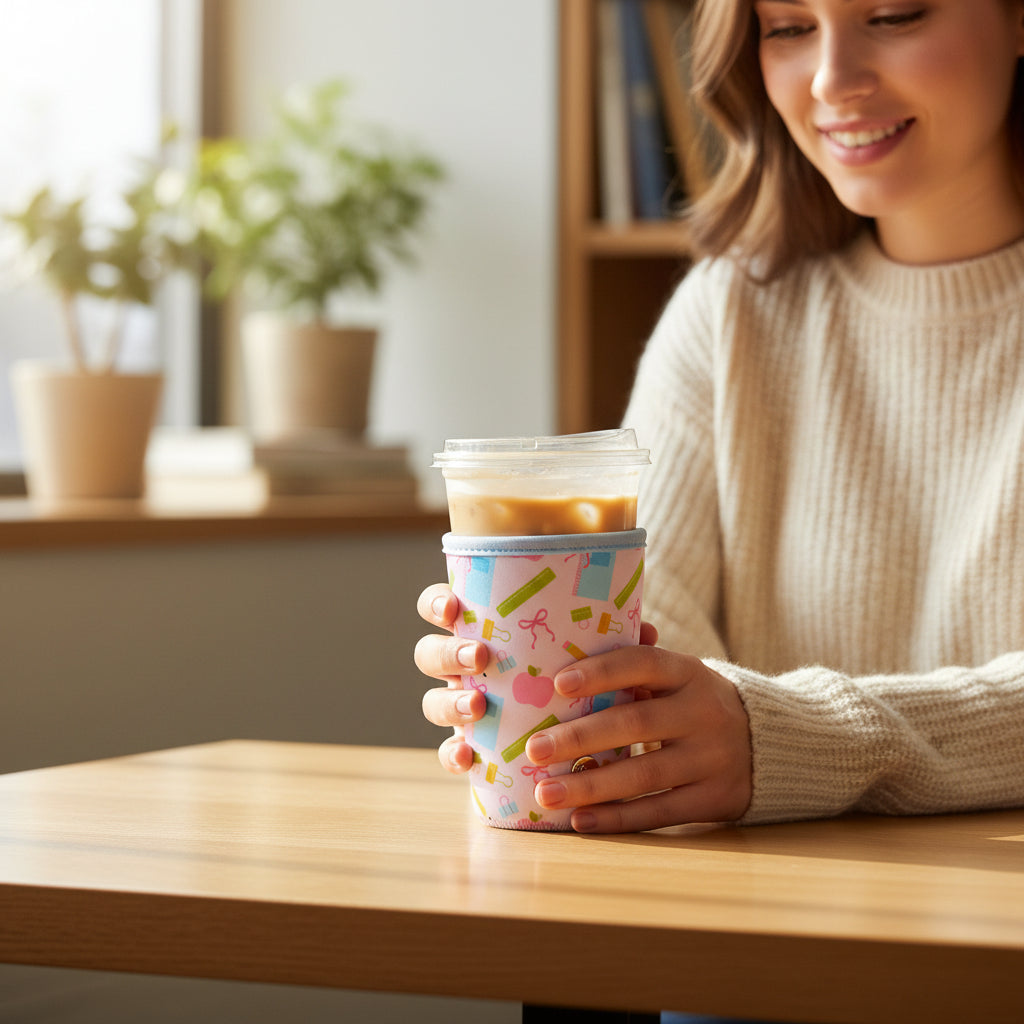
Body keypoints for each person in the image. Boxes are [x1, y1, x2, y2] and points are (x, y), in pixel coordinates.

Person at [415, 0, 1024, 836]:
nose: (832, 80)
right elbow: (645, 657)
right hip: (763, 922)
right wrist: (557, 705)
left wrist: (795, 739)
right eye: (787, 28)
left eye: (894, 13)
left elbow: (750, 726)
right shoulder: (729, 317)